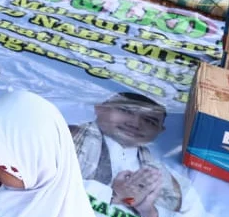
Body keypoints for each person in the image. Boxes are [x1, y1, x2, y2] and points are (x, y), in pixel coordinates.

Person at [70, 92, 201, 217]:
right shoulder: (65, 138)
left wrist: (148, 210)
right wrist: (114, 195)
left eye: (149, 120)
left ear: (160, 130)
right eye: (126, 111)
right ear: (100, 108)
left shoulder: (169, 181)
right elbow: (52, 186)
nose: (135, 124)